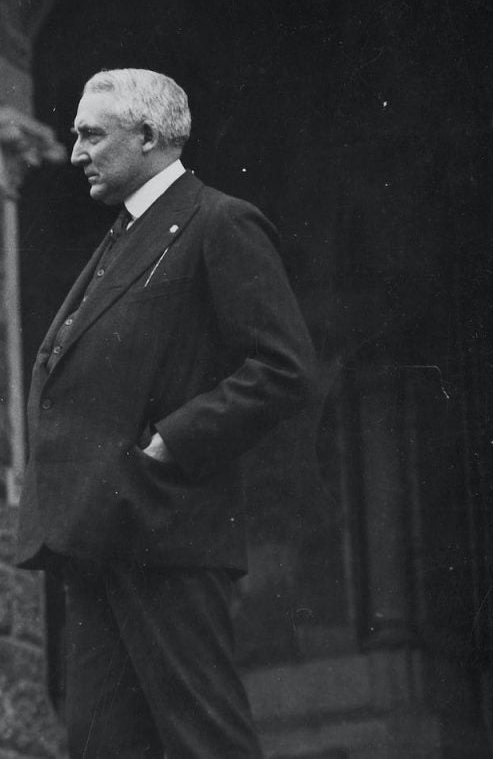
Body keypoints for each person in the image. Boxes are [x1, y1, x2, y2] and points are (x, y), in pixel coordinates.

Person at [16, 69, 314, 757]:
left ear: (148, 135)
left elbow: (283, 368)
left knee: (204, 742)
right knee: (103, 747)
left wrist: (170, 445)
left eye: (92, 135)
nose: (75, 153)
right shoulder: (124, 234)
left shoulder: (219, 222)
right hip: (95, 531)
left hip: (163, 527)